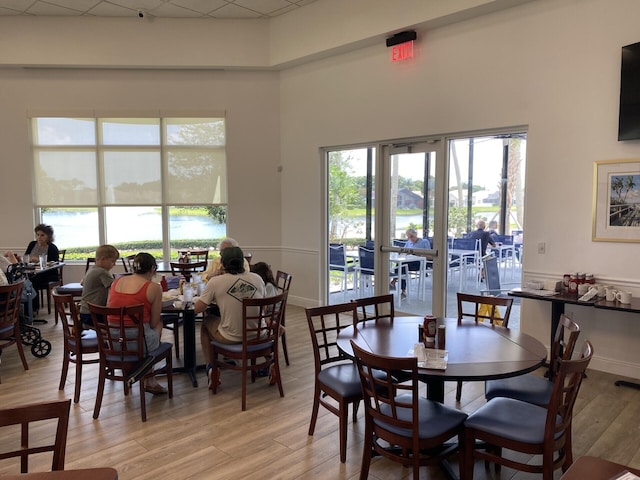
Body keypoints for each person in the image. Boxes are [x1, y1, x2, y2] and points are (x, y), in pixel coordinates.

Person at [194, 246, 265, 387]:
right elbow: (264, 304)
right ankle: (266, 364)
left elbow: (198, 309)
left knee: (206, 323)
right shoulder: (257, 279)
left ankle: (211, 369)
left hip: (231, 337)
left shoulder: (216, 282)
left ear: (222, 263)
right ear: (242, 261)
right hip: (258, 334)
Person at [107, 252, 166, 394]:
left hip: (113, 341)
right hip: (139, 343)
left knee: (142, 328)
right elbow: (153, 322)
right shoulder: (153, 287)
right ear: (152, 269)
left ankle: (137, 371)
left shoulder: (116, 282)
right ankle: (150, 378)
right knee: (159, 324)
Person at [79, 244, 120, 326]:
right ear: (103, 259)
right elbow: (116, 287)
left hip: (84, 311)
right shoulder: (102, 272)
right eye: (112, 261)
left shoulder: (92, 269)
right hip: (93, 314)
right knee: (117, 322)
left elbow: (82, 282)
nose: (114, 264)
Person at [22, 224, 60, 307]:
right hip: (32, 271)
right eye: (38, 235)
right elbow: (26, 257)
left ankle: (33, 308)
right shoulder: (32, 244)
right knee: (22, 280)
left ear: (48, 236)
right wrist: (29, 259)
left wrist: (39, 260)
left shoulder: (52, 248)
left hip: (48, 274)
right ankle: (25, 308)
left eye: (42, 235)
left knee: (32, 280)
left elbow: (54, 263)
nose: (39, 237)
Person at [390, 228, 432, 298]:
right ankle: (403, 290)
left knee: (402, 266)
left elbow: (430, 256)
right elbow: (404, 253)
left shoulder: (424, 242)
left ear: (416, 234)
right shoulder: (408, 242)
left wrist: (419, 254)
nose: (410, 238)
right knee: (401, 266)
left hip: (420, 263)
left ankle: (394, 282)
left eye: (412, 236)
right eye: (408, 237)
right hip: (409, 262)